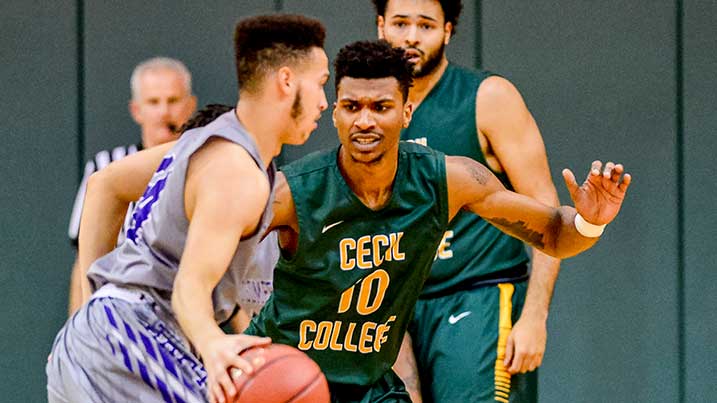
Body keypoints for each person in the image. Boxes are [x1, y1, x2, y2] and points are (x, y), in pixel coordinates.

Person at [73, 40, 630, 403]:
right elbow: (185, 256)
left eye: (381, 108)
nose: (365, 121)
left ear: (406, 113)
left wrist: (590, 221)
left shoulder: (449, 178)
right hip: (283, 379)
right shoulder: (288, 193)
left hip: (369, 387)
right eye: (351, 106)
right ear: (334, 111)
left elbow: (554, 235)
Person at [46, 14, 329, 403]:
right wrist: (213, 344)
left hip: (102, 338)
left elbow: (105, 185)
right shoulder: (237, 172)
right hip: (133, 335)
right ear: (286, 82)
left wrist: (94, 308)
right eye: (320, 84)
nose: (323, 102)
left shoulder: (203, 142)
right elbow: (189, 288)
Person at [372, 1, 561, 401]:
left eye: (425, 25)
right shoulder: (373, 111)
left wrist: (535, 317)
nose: (410, 36)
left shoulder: (488, 97)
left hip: (479, 296)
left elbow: (547, 212)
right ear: (380, 26)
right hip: (398, 308)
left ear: (448, 30)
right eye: (400, 23)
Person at [66, 56, 197, 315]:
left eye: (172, 100)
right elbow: (84, 261)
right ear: (136, 110)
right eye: (153, 102)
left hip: (189, 314)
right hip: (119, 315)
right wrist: (77, 327)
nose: (163, 112)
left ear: (191, 105)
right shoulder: (105, 166)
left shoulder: (206, 167)